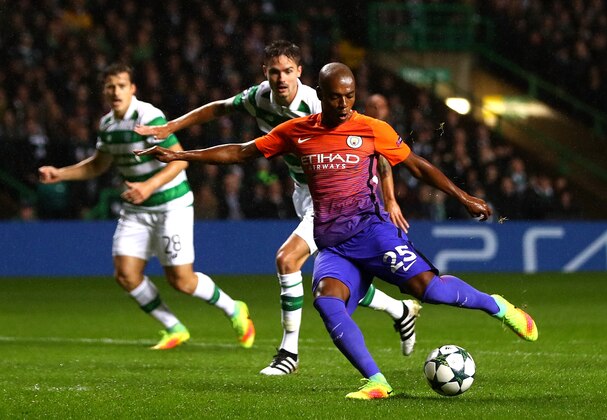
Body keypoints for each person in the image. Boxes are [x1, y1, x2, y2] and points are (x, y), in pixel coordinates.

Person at [137, 61, 539, 399]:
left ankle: (499, 307)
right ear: (322, 94)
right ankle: (376, 381)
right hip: (334, 243)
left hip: (375, 231)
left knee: (429, 290)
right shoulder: (297, 131)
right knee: (328, 302)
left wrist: (463, 196)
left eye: (349, 96)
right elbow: (242, 152)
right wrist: (180, 153)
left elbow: (415, 164)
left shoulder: (371, 128)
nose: (343, 104)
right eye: (335, 96)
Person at [134, 40, 420, 375]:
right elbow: (219, 108)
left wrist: (389, 198)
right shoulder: (259, 97)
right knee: (337, 276)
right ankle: (400, 311)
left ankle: (288, 353)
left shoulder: (319, 106)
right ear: (265, 73)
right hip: (305, 192)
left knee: (288, 259)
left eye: (288, 71)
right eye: (274, 71)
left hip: (340, 196)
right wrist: (172, 128)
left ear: (300, 72)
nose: (281, 78)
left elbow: (373, 147)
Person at [38, 63, 255, 351]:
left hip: (170, 204)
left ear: (132, 89)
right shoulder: (107, 125)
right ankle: (173, 327)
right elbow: (99, 164)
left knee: (181, 280)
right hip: (138, 209)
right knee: (125, 274)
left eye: (121, 85)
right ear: (104, 90)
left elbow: (180, 158)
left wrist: (148, 186)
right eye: (110, 86)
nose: (115, 91)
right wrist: (60, 173)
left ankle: (233, 308)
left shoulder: (148, 116)